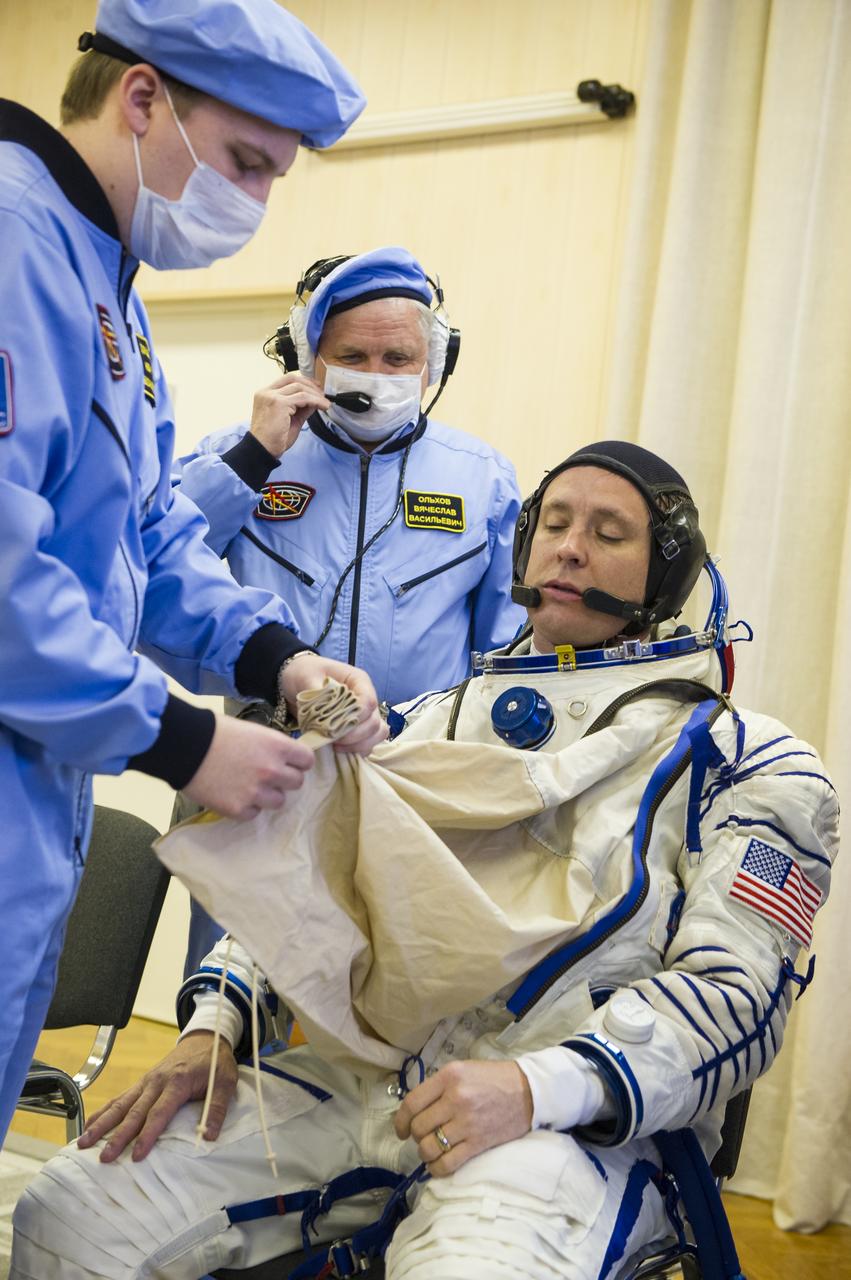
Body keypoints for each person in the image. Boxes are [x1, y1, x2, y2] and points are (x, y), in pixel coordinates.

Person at [11, 442, 838, 1280]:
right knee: (73, 1210)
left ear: (665, 574)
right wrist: (213, 1028)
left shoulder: (750, 764)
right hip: (369, 1082)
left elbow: (736, 999)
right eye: (553, 523)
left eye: (608, 533)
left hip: (566, 1117)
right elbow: (298, 897)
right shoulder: (424, 724)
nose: (569, 548)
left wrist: (539, 1087)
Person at [0, 0, 386, 1144]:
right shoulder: (12, 241)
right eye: (246, 163)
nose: (254, 206)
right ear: (141, 100)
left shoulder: (103, 280)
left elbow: (151, 538)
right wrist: (184, 740)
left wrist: (280, 655)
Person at [173, 245, 525, 973]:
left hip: (408, 773)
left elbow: (505, 645)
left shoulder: (483, 479)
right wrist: (255, 455)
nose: (378, 374)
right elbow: (150, 563)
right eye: (352, 354)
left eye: (398, 357)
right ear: (306, 359)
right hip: (262, 763)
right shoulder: (237, 457)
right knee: (229, 1002)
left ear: (434, 364)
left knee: (387, 991)